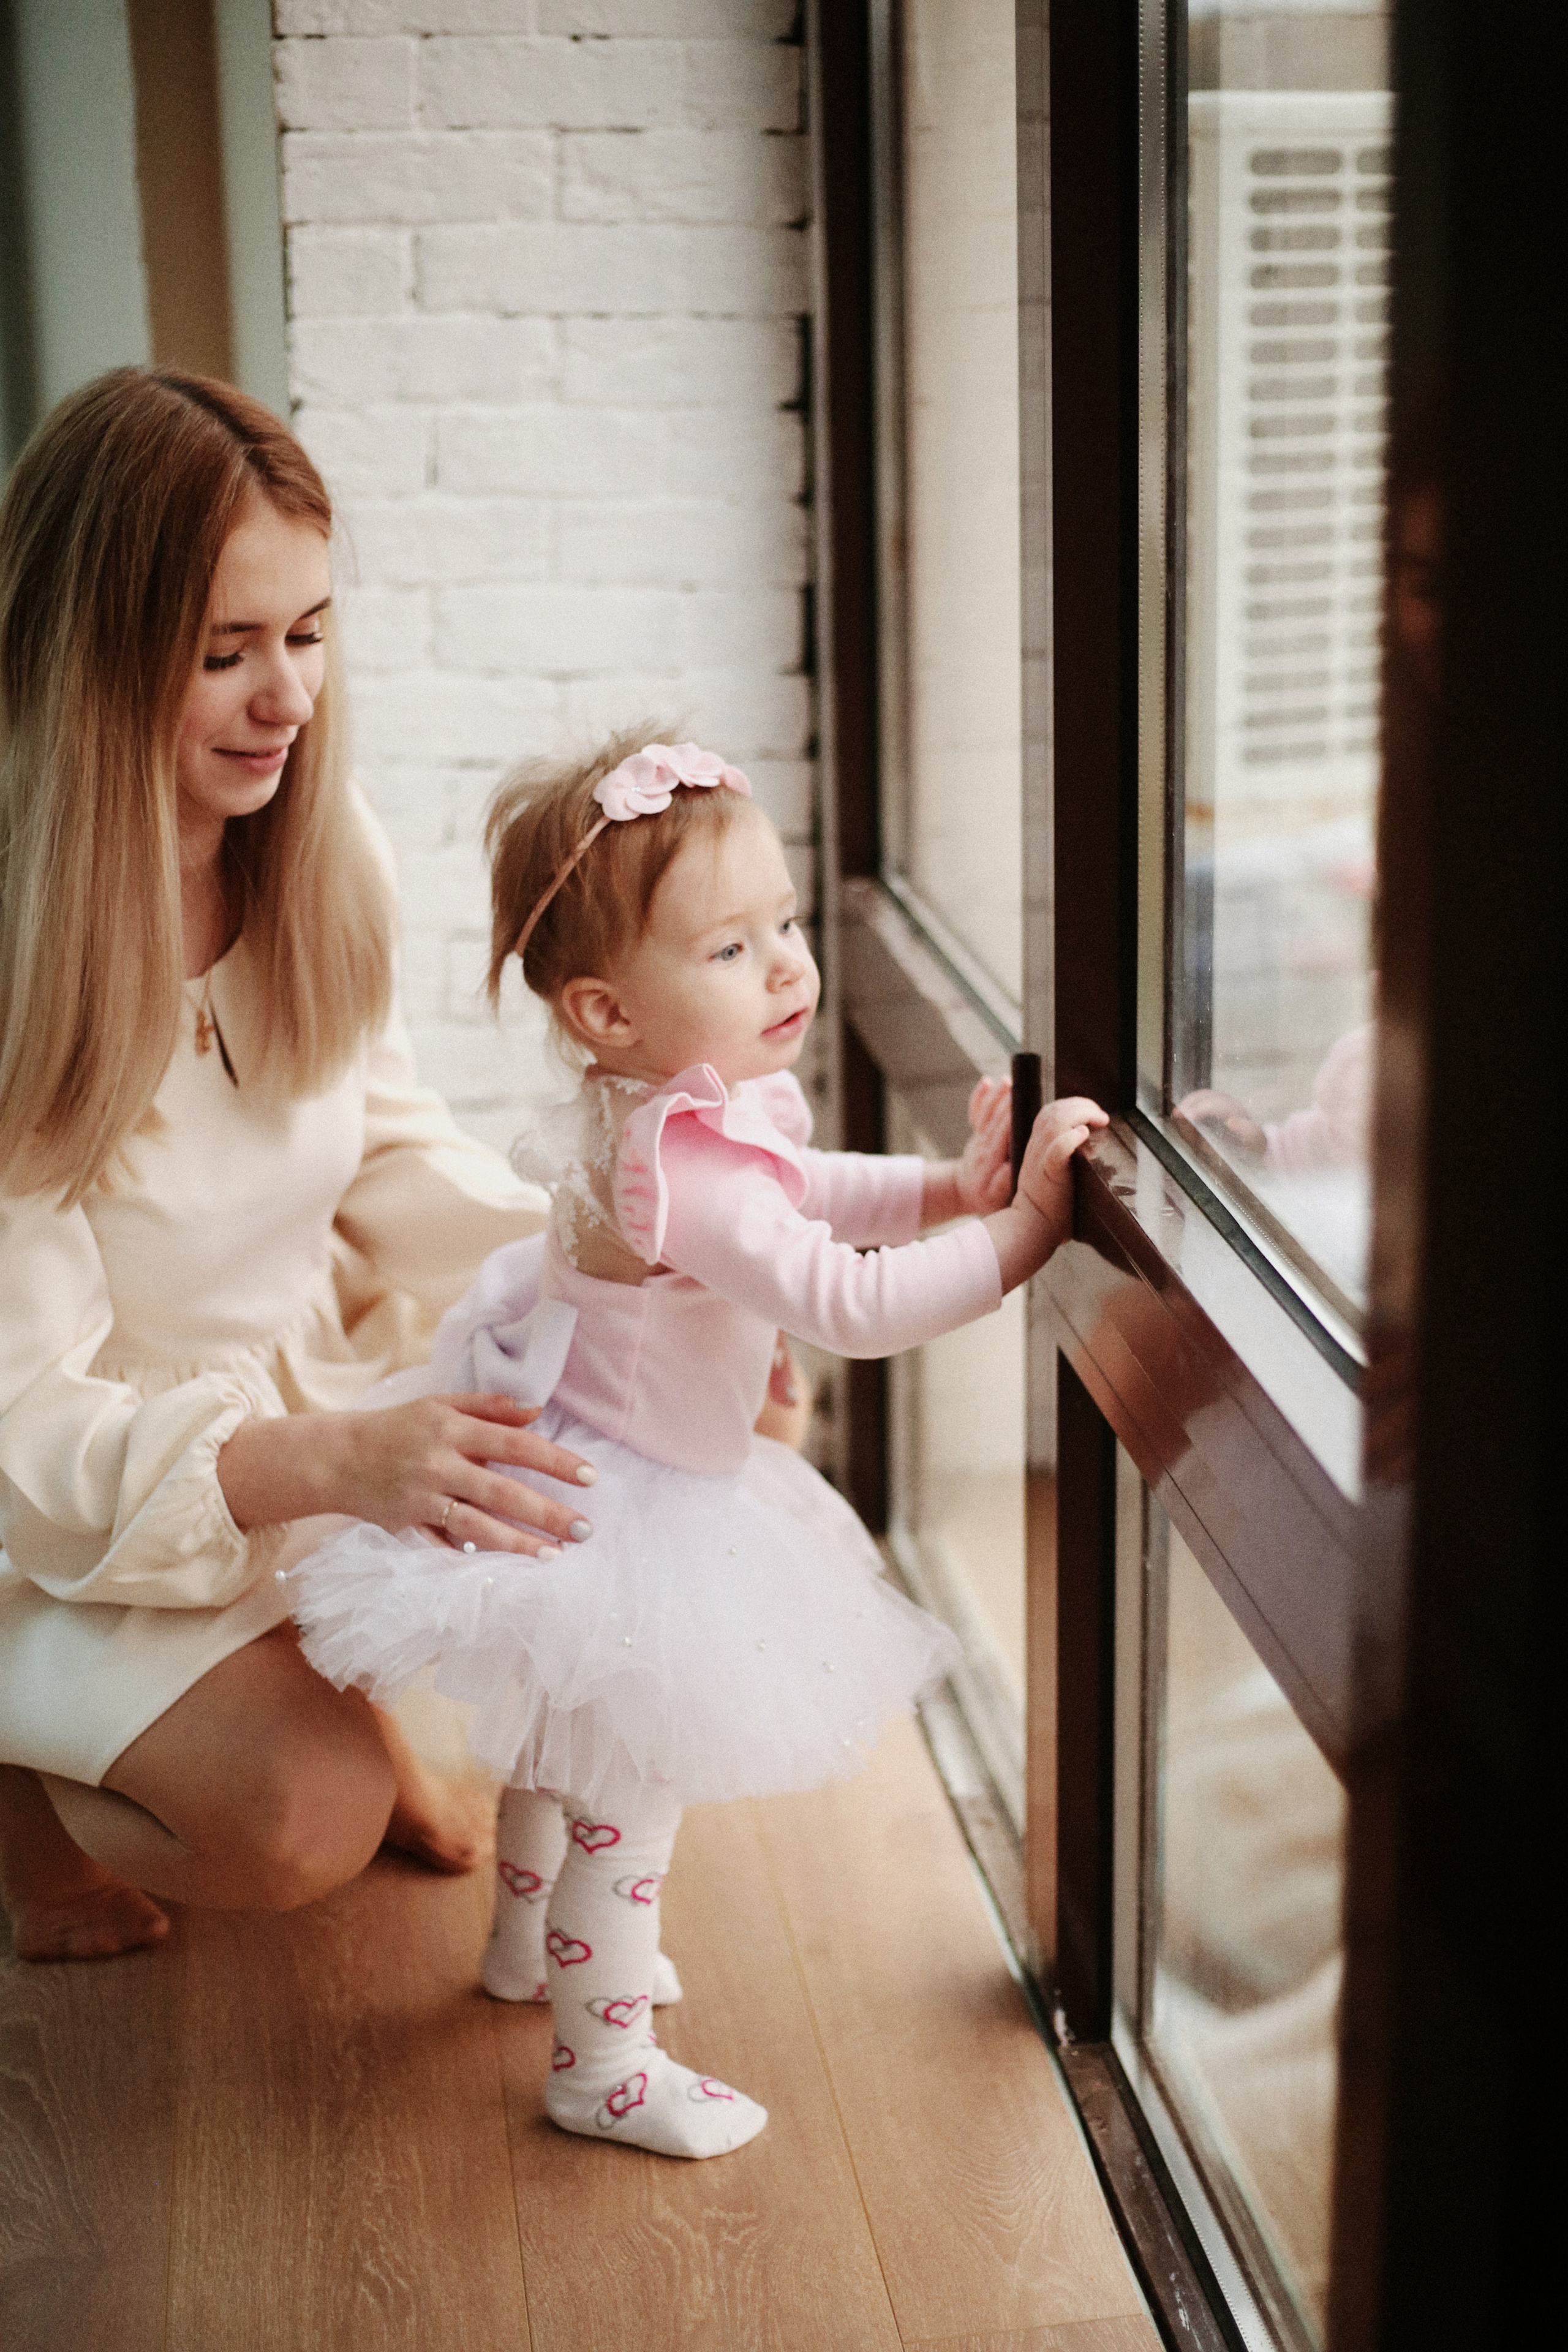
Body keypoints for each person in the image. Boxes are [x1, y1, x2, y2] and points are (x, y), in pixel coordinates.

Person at [288, 736, 1107, 2160]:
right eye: (732, 947)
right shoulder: (684, 1157)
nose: (787, 967)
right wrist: (1016, 1233)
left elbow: (798, 1182)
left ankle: (528, 1947)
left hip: (587, 1451)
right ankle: (601, 2066)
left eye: (783, 924)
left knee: (564, 1734)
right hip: (633, 1501)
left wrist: (943, 1183)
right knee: (627, 1788)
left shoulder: (668, 1109)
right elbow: (842, 1297)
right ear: (605, 1010)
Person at [0, 367, 611, 1966]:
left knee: (581, 1492)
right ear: (92, 665)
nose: (289, 698)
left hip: (267, 1420)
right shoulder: (18, 963)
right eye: (225, 654)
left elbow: (384, 1149)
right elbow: (33, 1439)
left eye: (309, 632)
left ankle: (298, 1671)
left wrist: (606, 1263)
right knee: (299, 1825)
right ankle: (17, 1808)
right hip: (57, 1500)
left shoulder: (317, 858)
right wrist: (341, 1467)